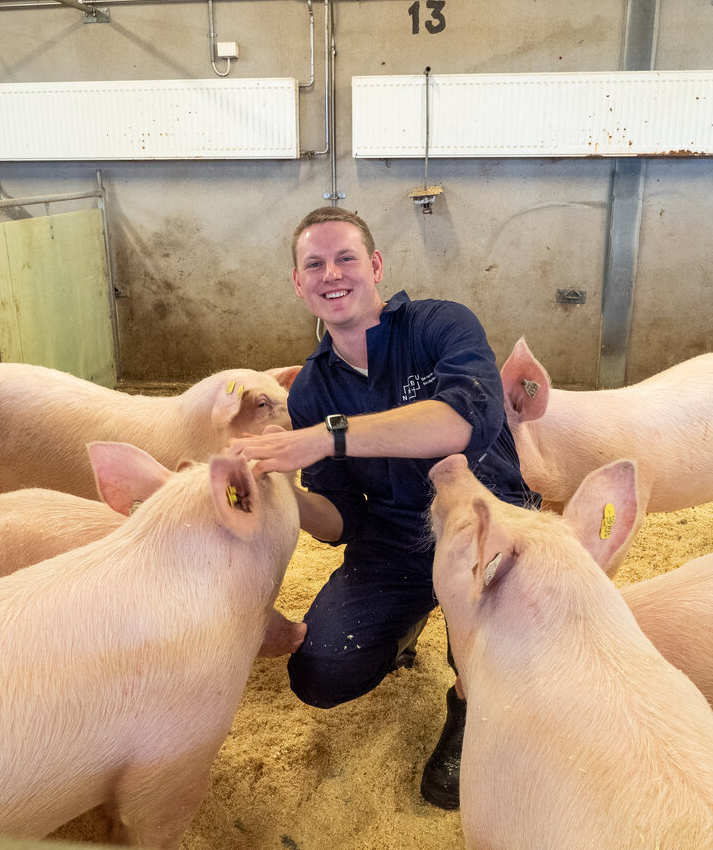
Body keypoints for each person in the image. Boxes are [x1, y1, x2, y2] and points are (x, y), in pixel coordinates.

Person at [230, 206, 539, 810]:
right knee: (320, 671)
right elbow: (340, 517)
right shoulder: (314, 386)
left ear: (374, 265)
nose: (331, 273)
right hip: (397, 539)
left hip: (488, 524)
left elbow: (462, 421)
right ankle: (410, 623)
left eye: (346, 257)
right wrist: (281, 495)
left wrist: (325, 436)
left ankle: (466, 707)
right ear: (298, 283)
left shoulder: (440, 325)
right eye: (313, 264)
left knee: (505, 654)